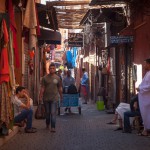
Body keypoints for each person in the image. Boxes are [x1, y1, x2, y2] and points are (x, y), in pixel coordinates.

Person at [39, 63, 63, 132]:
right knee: (47, 113)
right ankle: (47, 124)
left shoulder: (57, 78)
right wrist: (40, 96)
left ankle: (53, 127)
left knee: (53, 113)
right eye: (50, 68)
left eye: (53, 68)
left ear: (55, 69)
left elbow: (60, 87)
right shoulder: (45, 78)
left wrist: (61, 96)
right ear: (49, 69)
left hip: (54, 98)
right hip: (46, 98)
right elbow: (42, 87)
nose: (52, 70)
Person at [136, 58, 150, 136]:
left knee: (147, 114)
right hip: (145, 99)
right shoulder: (148, 73)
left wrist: (140, 88)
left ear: (149, 64)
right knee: (145, 114)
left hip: (147, 99)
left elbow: (149, 86)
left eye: (145, 64)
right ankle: (145, 131)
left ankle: (146, 131)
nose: (144, 65)